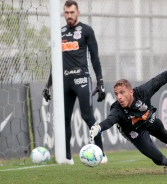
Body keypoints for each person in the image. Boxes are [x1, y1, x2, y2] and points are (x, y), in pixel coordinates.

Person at [90, 49, 167, 174]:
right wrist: (100, 127)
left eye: (122, 93)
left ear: (131, 92)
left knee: (165, 135)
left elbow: (164, 76)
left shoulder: (143, 92)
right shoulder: (117, 109)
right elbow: (110, 120)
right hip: (134, 131)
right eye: (116, 94)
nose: (118, 97)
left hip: (148, 118)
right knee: (152, 153)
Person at [43, 0, 107, 165]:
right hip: (63, 81)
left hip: (82, 79)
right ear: (63, 13)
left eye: (72, 12)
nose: (69, 16)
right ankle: (67, 157)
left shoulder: (86, 30)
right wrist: (48, 85)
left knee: (87, 116)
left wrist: (100, 81)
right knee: (63, 118)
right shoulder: (60, 32)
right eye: (66, 12)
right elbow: (55, 62)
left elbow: (95, 58)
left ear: (78, 12)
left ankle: (101, 153)